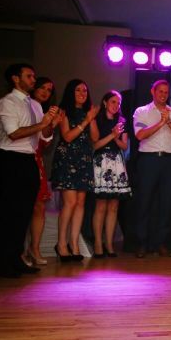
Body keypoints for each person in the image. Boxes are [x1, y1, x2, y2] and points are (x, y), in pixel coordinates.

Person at [0, 63, 58, 278]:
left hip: (29, 159)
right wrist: (42, 125)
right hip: (10, 158)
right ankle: (3, 263)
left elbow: (44, 139)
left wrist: (50, 124)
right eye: (29, 76)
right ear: (15, 78)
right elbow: (13, 134)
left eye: (33, 76)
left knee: (24, 212)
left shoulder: (35, 105)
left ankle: (17, 258)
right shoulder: (6, 103)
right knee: (8, 213)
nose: (33, 79)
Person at [133, 79, 171, 258]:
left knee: (167, 203)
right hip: (148, 159)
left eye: (166, 92)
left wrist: (169, 121)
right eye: (160, 92)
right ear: (153, 92)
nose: (163, 95)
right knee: (144, 202)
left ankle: (162, 243)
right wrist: (160, 123)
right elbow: (140, 135)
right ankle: (141, 243)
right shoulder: (142, 111)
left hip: (169, 160)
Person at [51, 79, 99, 262]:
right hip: (67, 158)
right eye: (78, 90)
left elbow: (95, 137)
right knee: (69, 203)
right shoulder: (64, 111)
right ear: (71, 92)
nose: (82, 93)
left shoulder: (88, 113)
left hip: (84, 158)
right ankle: (61, 244)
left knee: (80, 203)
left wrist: (91, 118)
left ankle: (74, 243)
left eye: (85, 90)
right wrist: (86, 120)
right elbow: (68, 137)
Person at [91, 90, 130, 258]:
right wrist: (112, 135)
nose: (116, 105)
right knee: (101, 206)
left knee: (114, 206)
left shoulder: (122, 121)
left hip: (117, 162)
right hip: (101, 162)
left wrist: (116, 137)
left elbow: (124, 146)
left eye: (118, 103)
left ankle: (109, 243)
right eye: (113, 102)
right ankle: (98, 244)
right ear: (105, 102)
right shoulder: (97, 120)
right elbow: (95, 145)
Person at [25, 77, 60, 265]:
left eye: (49, 89)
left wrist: (52, 123)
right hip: (22, 156)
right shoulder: (26, 104)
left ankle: (35, 248)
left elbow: (44, 142)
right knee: (24, 207)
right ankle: (21, 251)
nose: (46, 92)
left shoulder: (41, 109)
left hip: (36, 159)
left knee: (39, 206)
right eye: (42, 88)